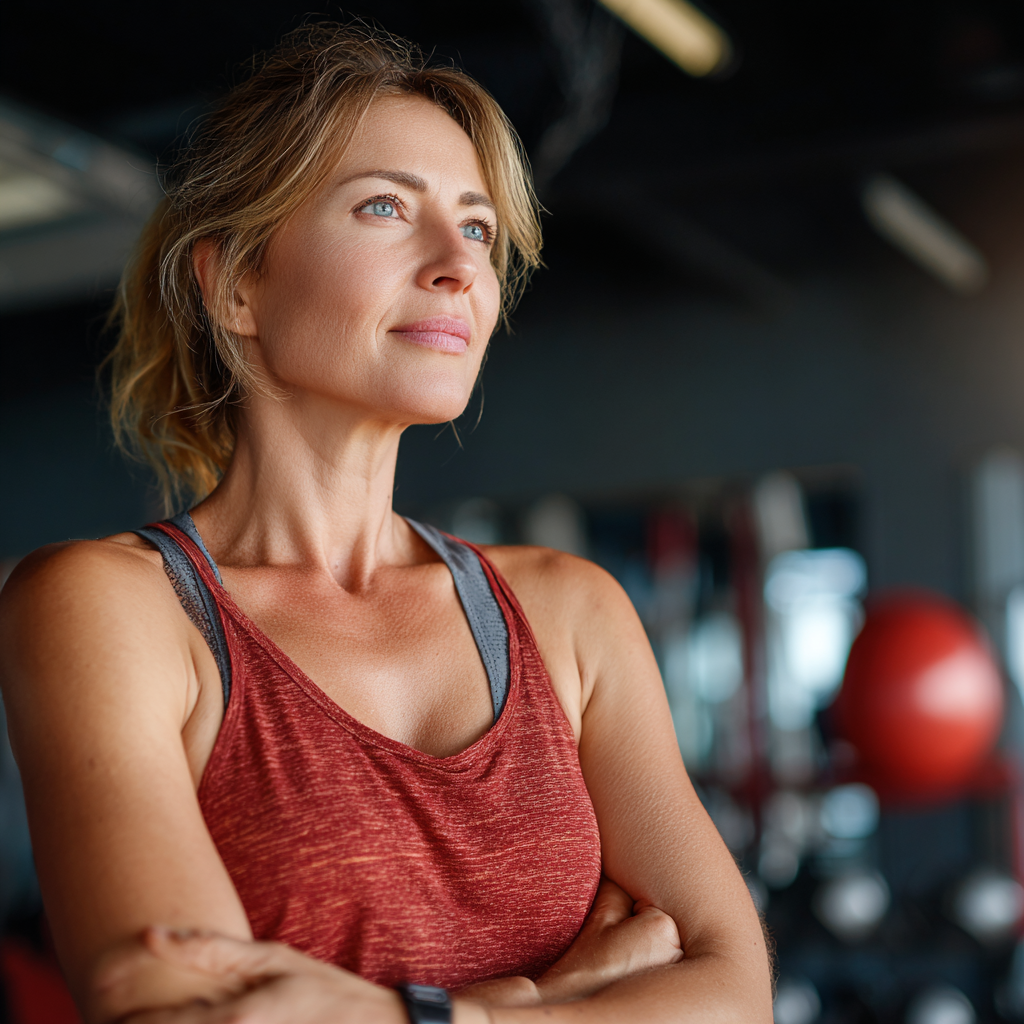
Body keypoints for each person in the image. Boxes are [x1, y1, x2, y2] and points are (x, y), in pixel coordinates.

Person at [0, 22, 773, 1024]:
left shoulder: (569, 614)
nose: (459, 264)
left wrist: (441, 1016)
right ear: (235, 283)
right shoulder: (111, 609)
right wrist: (545, 999)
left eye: (478, 229)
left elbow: (734, 992)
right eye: (385, 207)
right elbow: (183, 1009)